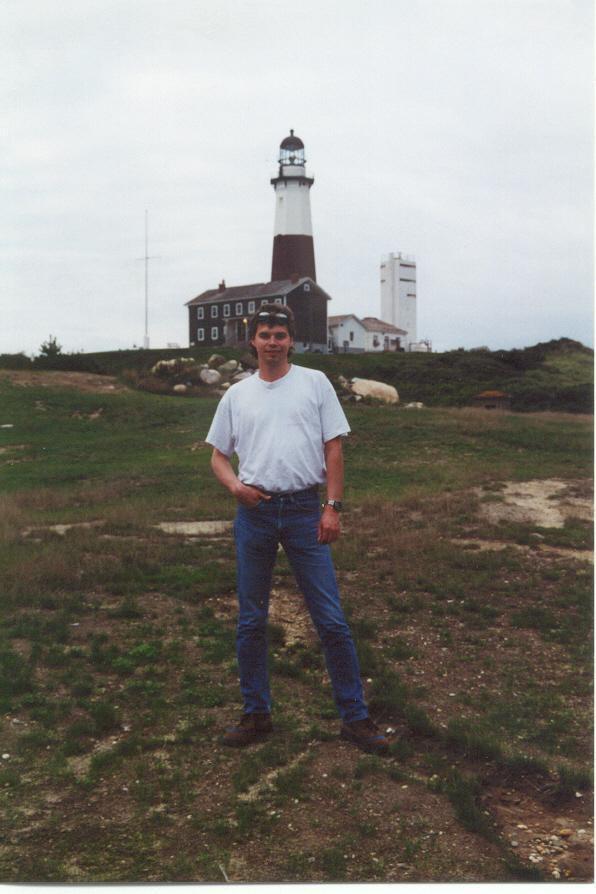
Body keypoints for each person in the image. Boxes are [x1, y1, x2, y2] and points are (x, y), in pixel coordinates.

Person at [205, 303, 389, 755]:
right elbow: (217, 455)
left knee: (331, 620)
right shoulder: (236, 395)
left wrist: (332, 507)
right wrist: (235, 487)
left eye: (280, 335)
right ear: (252, 340)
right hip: (256, 514)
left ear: (291, 341)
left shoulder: (315, 383)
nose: (272, 342)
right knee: (251, 620)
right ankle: (256, 714)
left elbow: (334, 449)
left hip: (307, 511)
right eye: (264, 334)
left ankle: (355, 717)